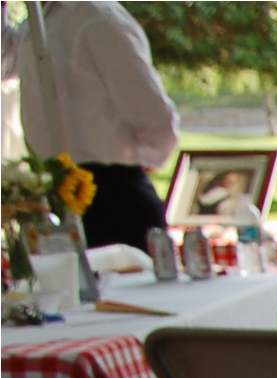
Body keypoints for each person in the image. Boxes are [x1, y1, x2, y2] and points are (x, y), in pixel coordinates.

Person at [2, 1, 178, 248]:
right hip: (55, 191)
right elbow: (5, 63)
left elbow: (155, 118)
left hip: (111, 195)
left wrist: (133, 163)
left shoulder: (95, 18)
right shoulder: (39, 20)